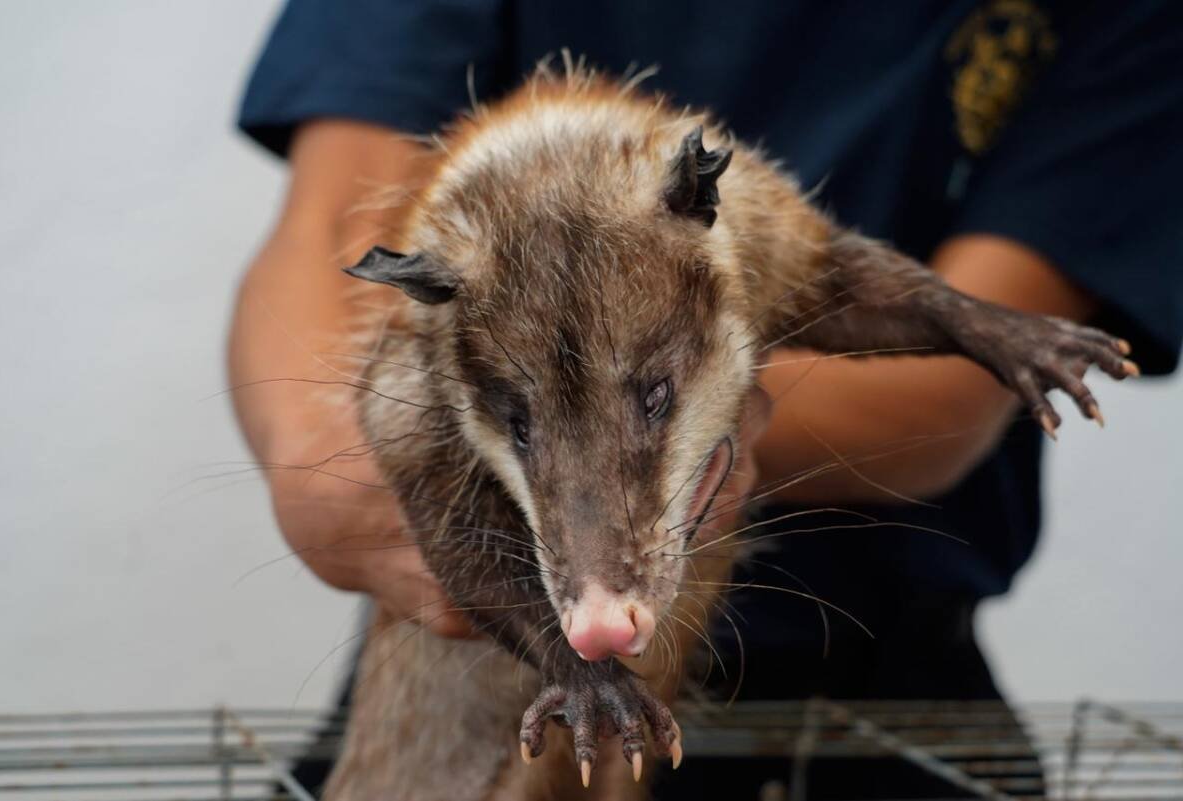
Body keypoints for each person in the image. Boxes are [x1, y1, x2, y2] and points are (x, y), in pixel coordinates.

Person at [230, 1, 1183, 797]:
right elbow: (330, 219)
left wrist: (685, 425)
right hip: (471, 641)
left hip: (860, 689)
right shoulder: (464, 322)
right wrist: (325, 459)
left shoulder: (733, 209)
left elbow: (938, 392)